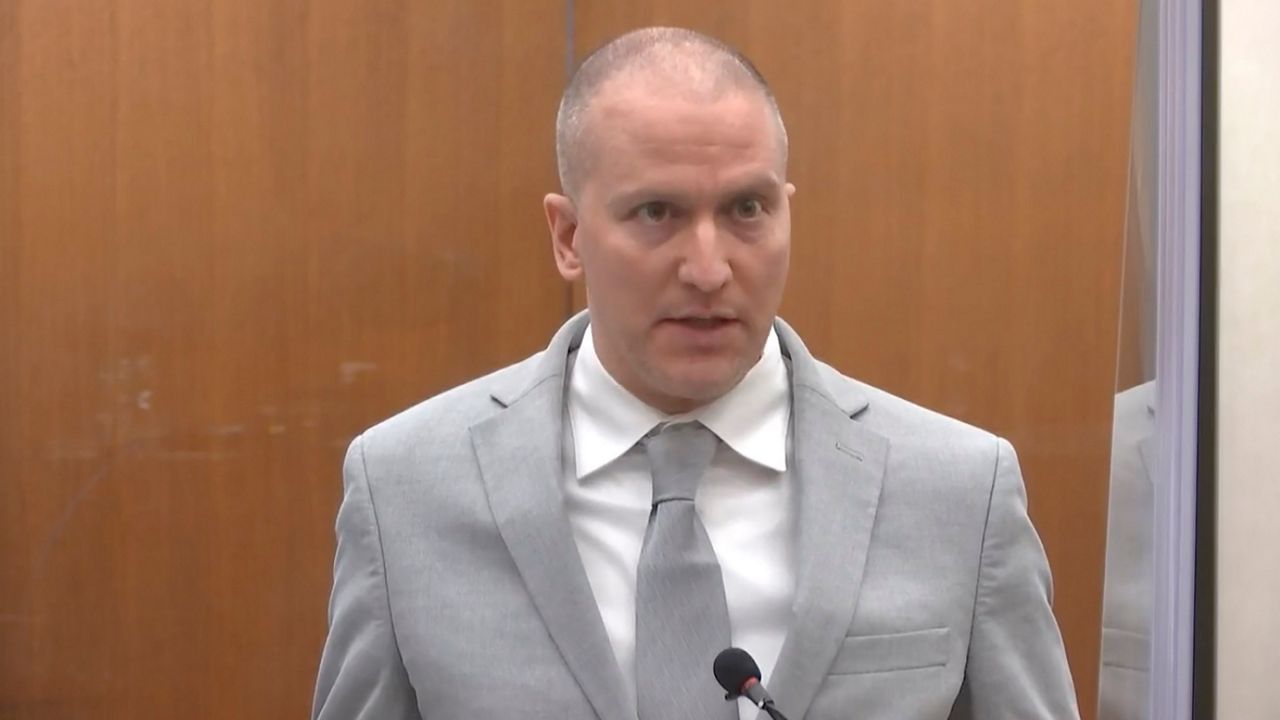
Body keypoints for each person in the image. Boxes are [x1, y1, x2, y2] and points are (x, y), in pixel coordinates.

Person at [312, 26, 1079, 720]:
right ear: (569, 236)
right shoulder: (404, 489)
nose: (709, 269)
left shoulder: (958, 491)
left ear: (787, 213)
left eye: (746, 209)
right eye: (656, 213)